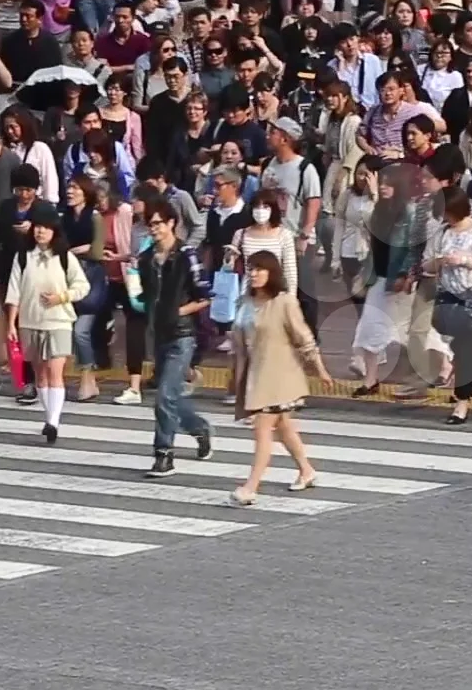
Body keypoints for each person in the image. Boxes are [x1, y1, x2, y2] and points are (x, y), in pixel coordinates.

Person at [228, 249, 331, 506]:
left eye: (260, 269)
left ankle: (250, 487)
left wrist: (320, 369)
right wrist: (236, 382)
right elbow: (240, 348)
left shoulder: (284, 302)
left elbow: (304, 338)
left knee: (263, 428)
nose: (254, 274)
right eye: (251, 268)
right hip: (257, 377)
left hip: (281, 377)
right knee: (283, 426)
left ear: (272, 273)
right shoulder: (244, 303)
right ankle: (306, 470)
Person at [136, 198, 213, 477]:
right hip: (158, 333)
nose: (153, 229)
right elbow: (144, 294)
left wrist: (179, 310)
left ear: (171, 223)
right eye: (150, 224)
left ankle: (164, 454)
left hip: (182, 335)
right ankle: (200, 429)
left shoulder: (186, 255)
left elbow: (204, 296)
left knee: (164, 396)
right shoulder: (145, 259)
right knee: (171, 399)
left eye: (158, 223)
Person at [4, 206, 89, 443]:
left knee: (54, 371)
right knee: (40, 374)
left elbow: (82, 287)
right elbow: (14, 293)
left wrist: (61, 297)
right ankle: (48, 416)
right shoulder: (23, 257)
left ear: (54, 231)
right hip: (30, 322)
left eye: (45, 227)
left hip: (59, 321)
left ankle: (53, 421)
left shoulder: (64, 257)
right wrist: (11, 324)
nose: (40, 232)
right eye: (37, 227)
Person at [426, 188, 472, 424]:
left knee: (466, 350)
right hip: (449, 297)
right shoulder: (441, 233)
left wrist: (465, 260)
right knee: (463, 348)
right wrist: (439, 262)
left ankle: (462, 401)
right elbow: (426, 264)